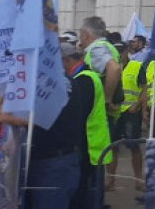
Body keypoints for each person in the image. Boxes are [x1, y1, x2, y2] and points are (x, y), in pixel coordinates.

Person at [0, 43, 94, 208]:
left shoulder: (58, 83)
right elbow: (4, 96)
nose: (17, 61)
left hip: (54, 163)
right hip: (37, 159)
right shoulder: (36, 80)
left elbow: (35, 119)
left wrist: (0, 114)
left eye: (21, 57)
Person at [60, 41, 112, 209]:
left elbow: (78, 114)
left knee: (85, 193)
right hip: (90, 144)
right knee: (89, 191)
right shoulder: (84, 76)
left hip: (89, 145)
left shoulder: (84, 79)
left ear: (67, 60)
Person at [110, 42, 144, 191]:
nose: (119, 54)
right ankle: (111, 181)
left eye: (121, 51)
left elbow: (145, 89)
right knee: (112, 148)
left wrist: (137, 106)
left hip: (131, 112)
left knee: (134, 146)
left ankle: (138, 180)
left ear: (127, 51)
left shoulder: (136, 66)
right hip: (114, 112)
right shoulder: (110, 67)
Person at [78, 17, 123, 118]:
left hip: (99, 111)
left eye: (80, 35)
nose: (79, 39)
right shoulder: (107, 46)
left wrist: (106, 100)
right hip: (104, 113)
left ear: (85, 35)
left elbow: (114, 68)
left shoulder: (97, 48)